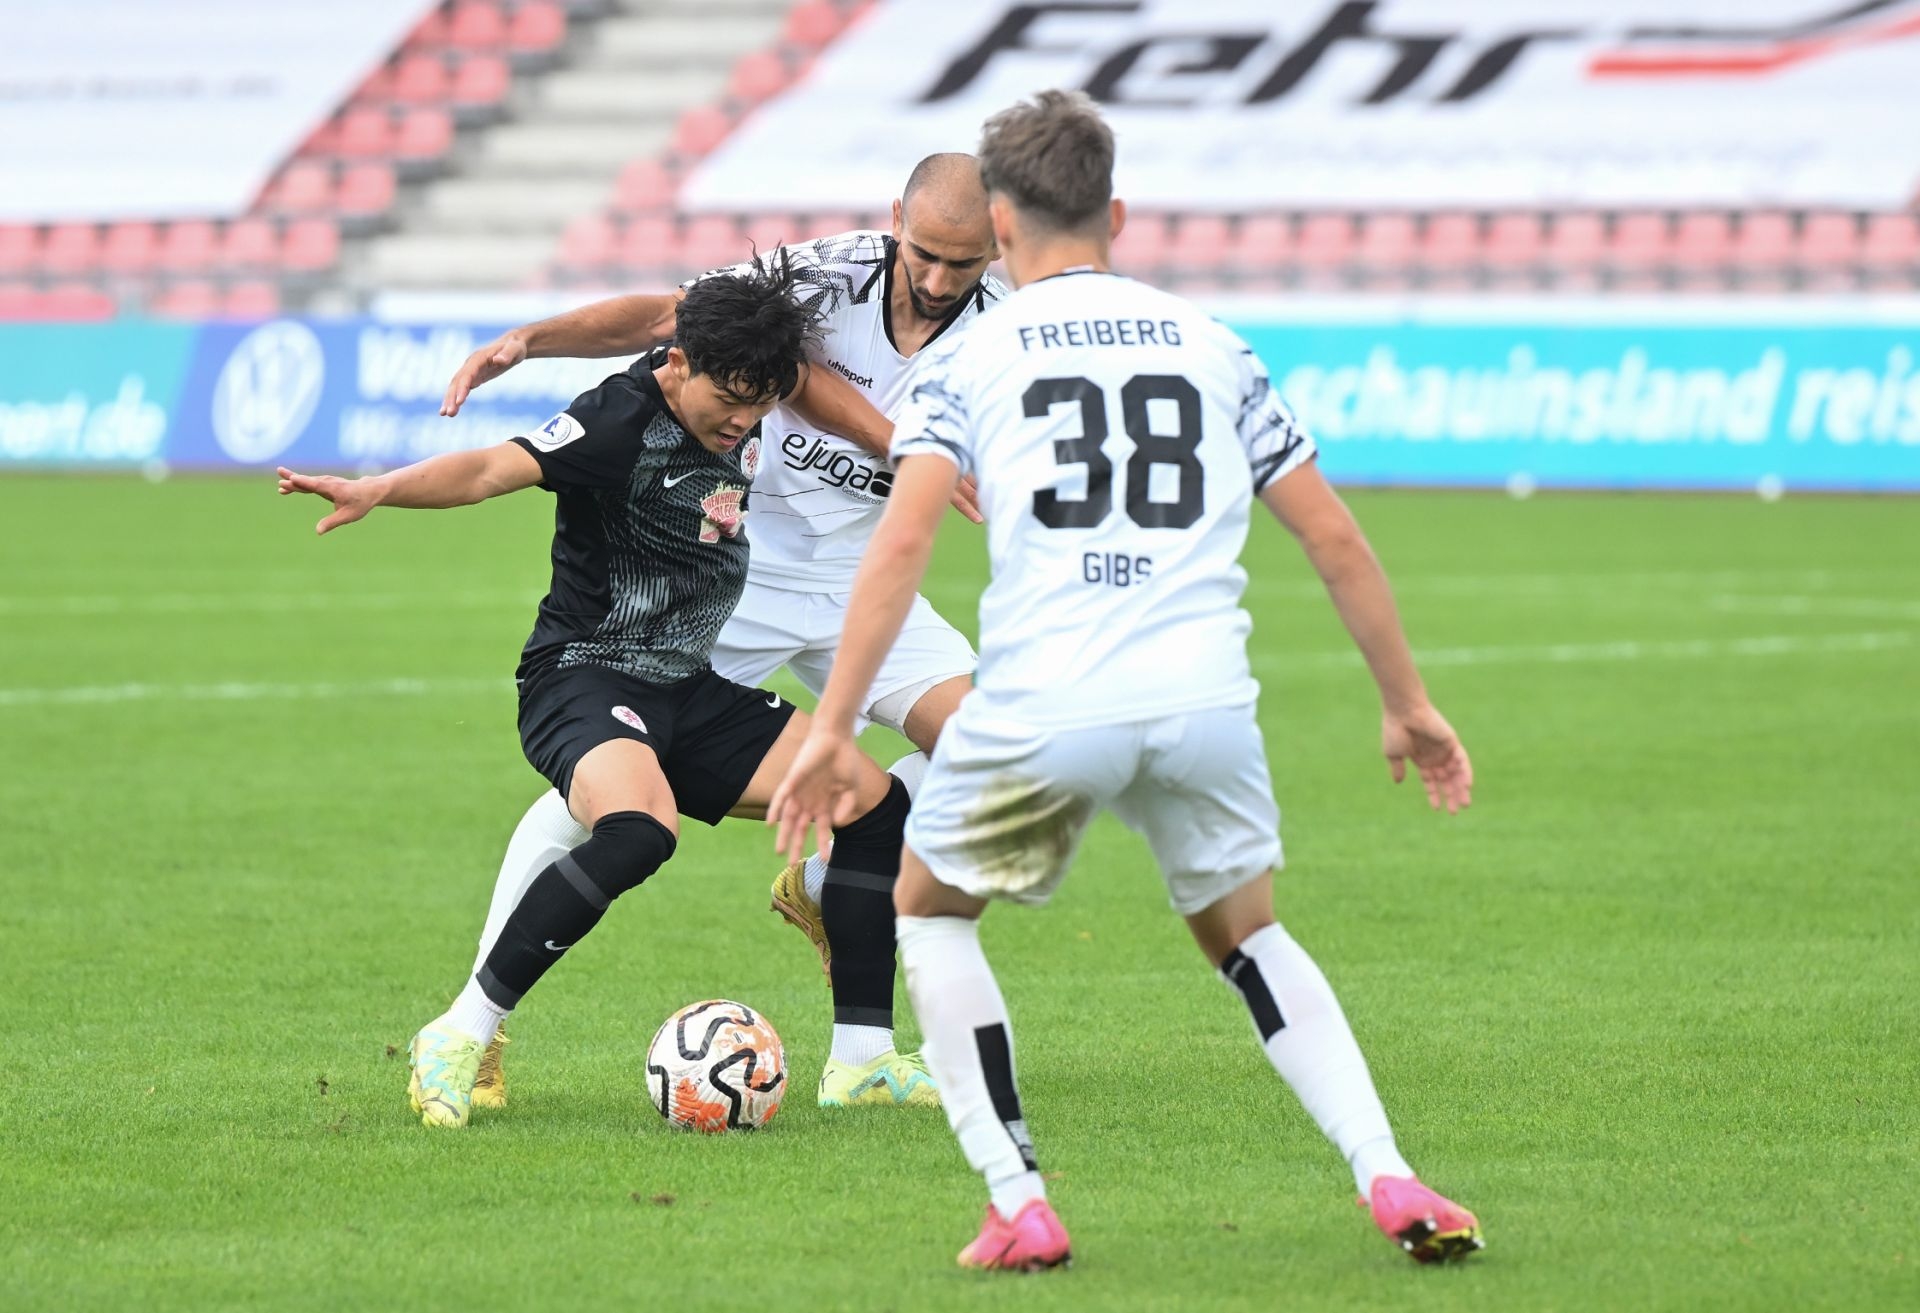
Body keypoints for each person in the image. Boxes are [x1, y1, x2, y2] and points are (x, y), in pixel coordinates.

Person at [769, 92, 1485, 1270]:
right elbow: (1334, 537)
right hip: (1204, 698)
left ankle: (1019, 1198)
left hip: (1049, 700)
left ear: (1001, 224)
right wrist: (1408, 703)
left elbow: (901, 544)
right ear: (1117, 212)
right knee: (1248, 935)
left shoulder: (976, 354)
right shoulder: (1212, 343)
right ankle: (1387, 1168)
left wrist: (835, 723)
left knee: (930, 912)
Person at [280, 255, 914, 1130]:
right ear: (679, 361)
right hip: (582, 674)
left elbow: (769, 378)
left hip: (685, 686)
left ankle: (862, 1061)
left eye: (761, 403)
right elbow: (490, 470)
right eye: (730, 399)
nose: (743, 420)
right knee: (639, 829)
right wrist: (378, 488)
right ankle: (461, 1032)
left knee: (874, 804)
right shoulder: (617, 420)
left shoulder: (746, 393)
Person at [437, 155, 1008, 1108]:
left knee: (1000, 752)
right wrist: (531, 340)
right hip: (736, 559)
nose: (942, 279)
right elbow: (672, 318)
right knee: (605, 791)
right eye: (926, 254)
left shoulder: (1015, 330)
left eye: (967, 262)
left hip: (868, 577)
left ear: (1000, 247)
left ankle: (841, 953)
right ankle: (475, 1027)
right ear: (894, 219)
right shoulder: (822, 274)